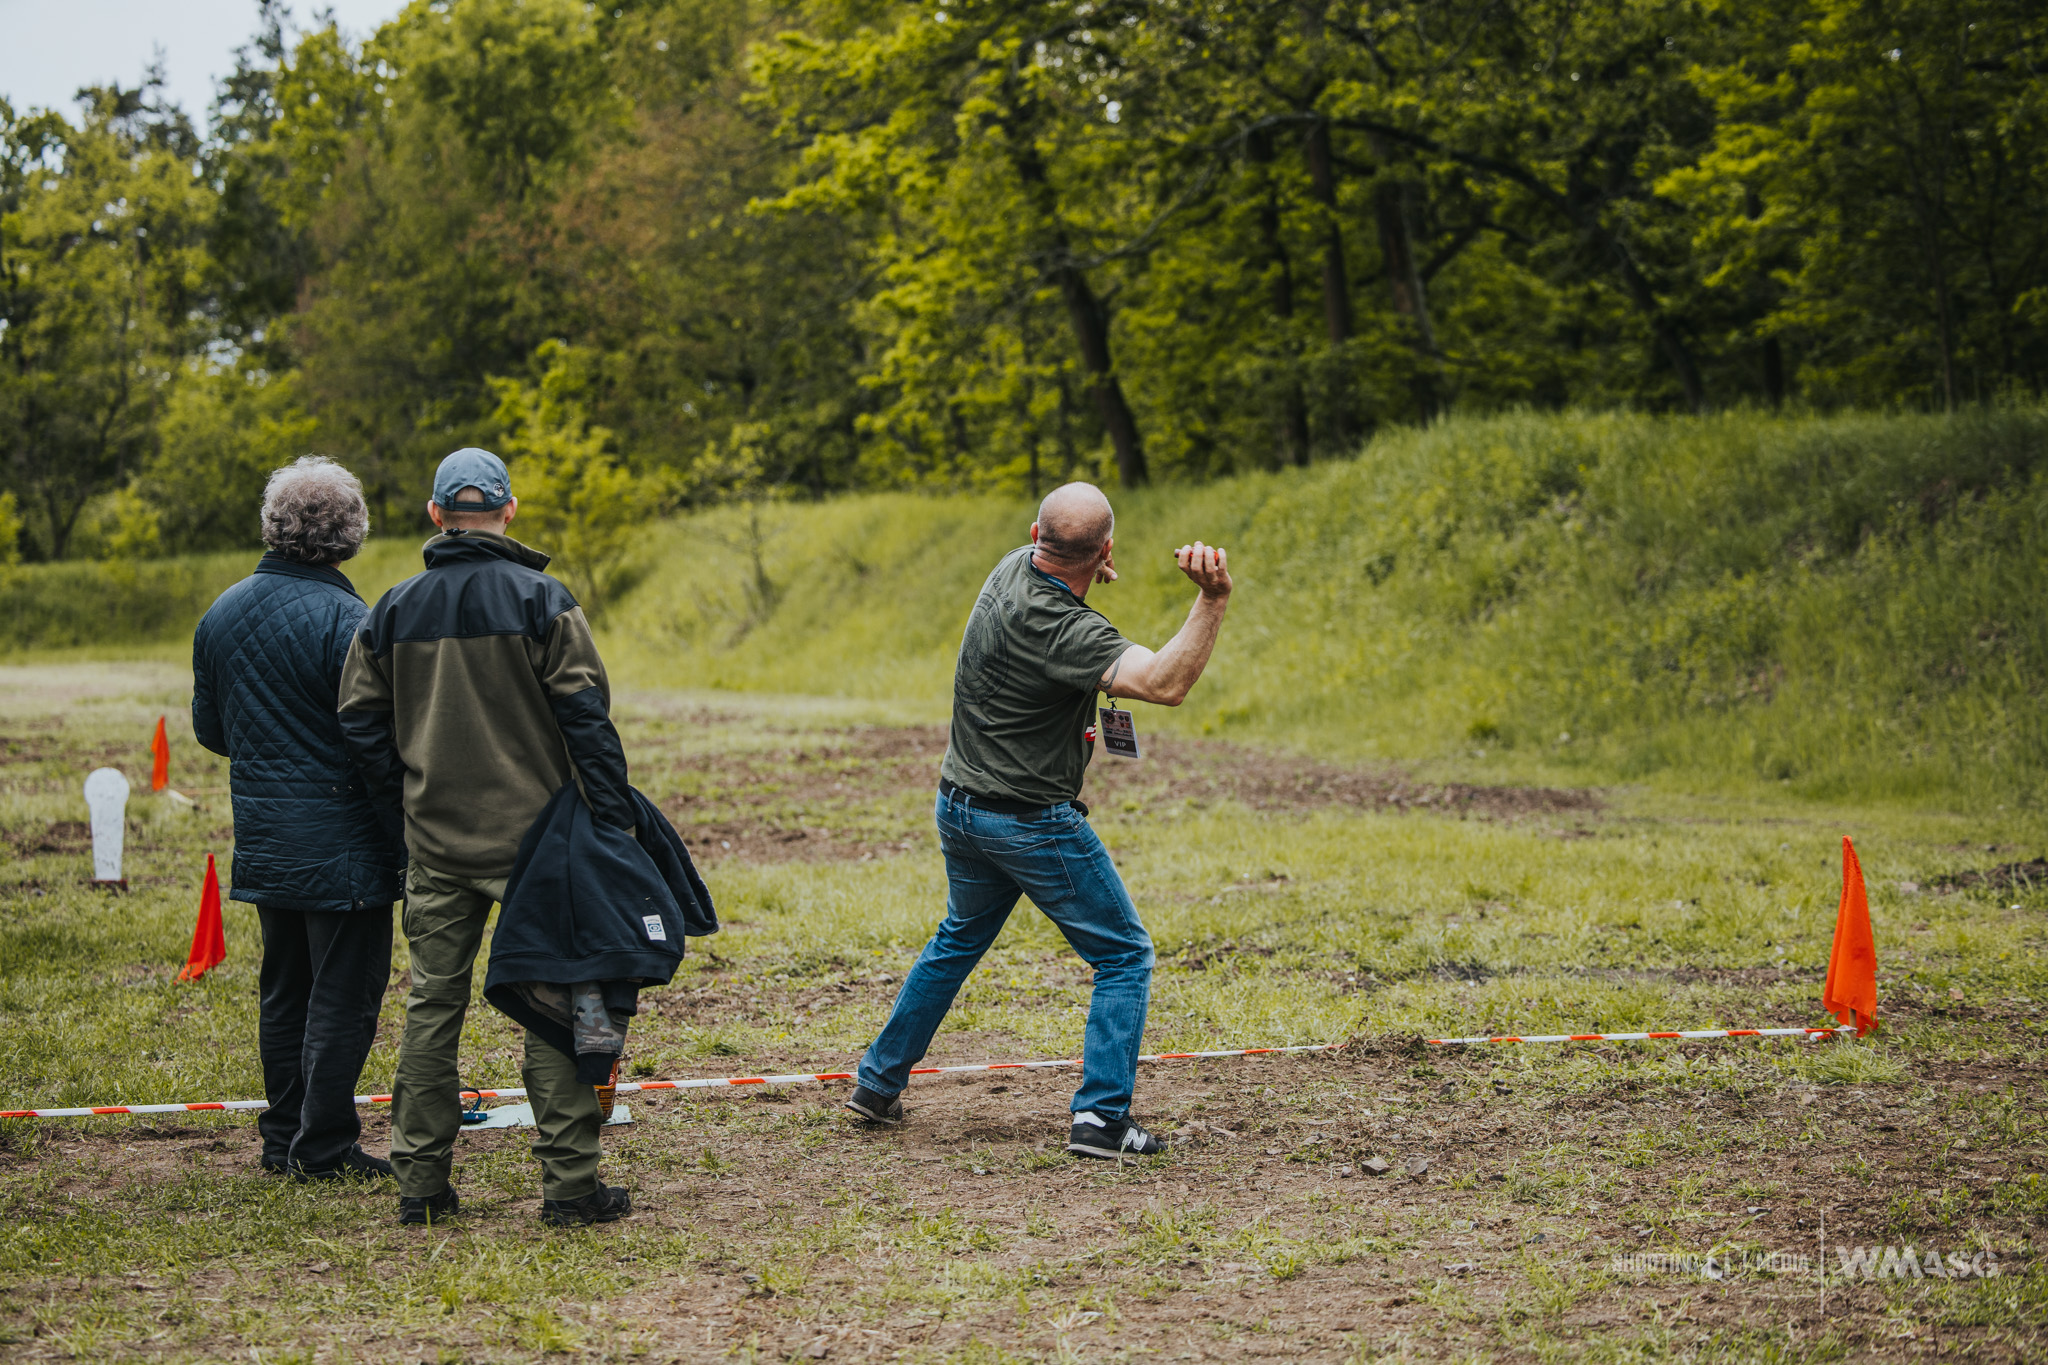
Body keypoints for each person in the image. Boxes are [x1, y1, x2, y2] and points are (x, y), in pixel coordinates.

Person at [846, 481, 1234, 1158]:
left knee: (958, 937)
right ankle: (1101, 1121)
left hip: (958, 803)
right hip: (1026, 821)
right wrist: (1213, 597)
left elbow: (1063, 576)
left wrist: (1084, 569)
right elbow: (1165, 681)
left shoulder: (1009, 569)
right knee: (1123, 952)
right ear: (1106, 549)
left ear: (1035, 536)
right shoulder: (1068, 630)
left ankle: (877, 1081)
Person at [338, 447, 636, 1228]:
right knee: (554, 1002)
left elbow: (359, 722)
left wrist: (402, 805)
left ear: (436, 515)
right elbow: (588, 719)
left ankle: (420, 1184)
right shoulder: (546, 599)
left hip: (434, 844)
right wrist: (613, 822)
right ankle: (571, 1186)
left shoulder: (392, 608)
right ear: (509, 512)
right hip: (539, 848)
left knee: (432, 1005)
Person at [191, 456, 407, 1181]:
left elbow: (211, 731)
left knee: (285, 990)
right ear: (351, 534)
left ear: (273, 526)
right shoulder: (353, 620)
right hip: (345, 845)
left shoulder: (219, 612)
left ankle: (281, 1135)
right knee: (343, 998)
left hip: (265, 838)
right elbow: (379, 743)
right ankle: (322, 1146)